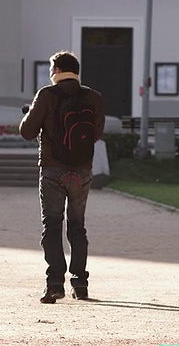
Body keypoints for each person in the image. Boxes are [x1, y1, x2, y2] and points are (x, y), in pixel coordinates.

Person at [19, 51, 105, 304]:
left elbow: (27, 131)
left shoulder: (46, 95)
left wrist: (31, 113)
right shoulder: (94, 98)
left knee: (53, 226)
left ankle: (55, 283)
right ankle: (80, 284)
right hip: (81, 171)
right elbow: (95, 133)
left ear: (56, 70)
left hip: (53, 171)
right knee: (77, 227)